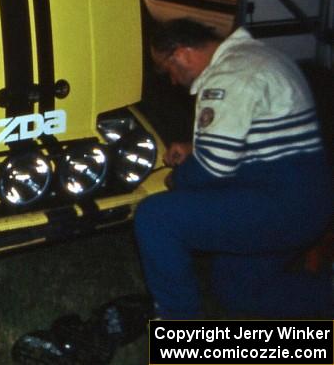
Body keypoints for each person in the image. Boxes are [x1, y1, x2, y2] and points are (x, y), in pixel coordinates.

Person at [135, 18, 333, 319]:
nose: (173, 80)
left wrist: (179, 178)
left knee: (156, 217)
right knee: (236, 291)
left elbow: (212, 171)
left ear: (181, 53)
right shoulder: (257, 56)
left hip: (282, 204)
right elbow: (256, 138)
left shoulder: (230, 76)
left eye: (167, 70)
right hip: (306, 197)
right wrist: (195, 150)